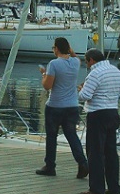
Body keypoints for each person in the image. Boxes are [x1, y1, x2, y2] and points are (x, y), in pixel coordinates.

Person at [36, 37, 89, 179]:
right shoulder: (75, 62)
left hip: (55, 106)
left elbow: (47, 86)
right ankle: (83, 162)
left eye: (54, 48)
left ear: (57, 49)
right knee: (71, 135)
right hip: (72, 105)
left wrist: (43, 74)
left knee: (52, 136)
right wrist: (71, 51)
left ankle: (50, 166)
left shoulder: (54, 64)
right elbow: (75, 56)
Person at [78, 47, 120, 194]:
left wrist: (81, 89)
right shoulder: (116, 71)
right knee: (111, 152)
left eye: (86, 62)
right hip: (113, 112)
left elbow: (85, 96)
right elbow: (118, 92)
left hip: (97, 114)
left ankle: (96, 188)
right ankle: (114, 186)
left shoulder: (95, 74)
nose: (87, 65)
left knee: (95, 152)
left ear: (91, 60)